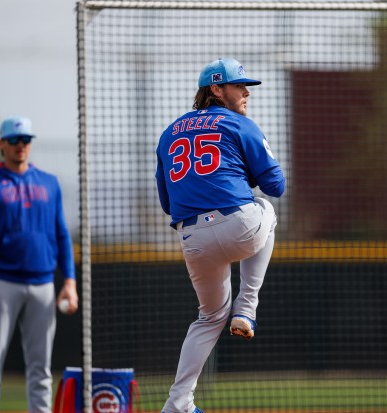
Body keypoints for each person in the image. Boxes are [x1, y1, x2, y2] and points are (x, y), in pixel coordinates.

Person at [155, 58, 286, 413]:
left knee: (209, 317)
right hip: (240, 225)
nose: (246, 92)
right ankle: (246, 309)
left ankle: (177, 404)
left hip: (193, 238)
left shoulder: (169, 133)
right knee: (267, 209)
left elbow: (168, 203)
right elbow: (276, 185)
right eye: (239, 85)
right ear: (216, 89)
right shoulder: (239, 124)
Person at [0, 116, 79, 413]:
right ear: (1, 144)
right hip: (0, 282)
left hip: (42, 283)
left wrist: (69, 281)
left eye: (26, 140)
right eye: (14, 140)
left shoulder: (49, 183)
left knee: (41, 369)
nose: (20, 146)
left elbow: (62, 235)